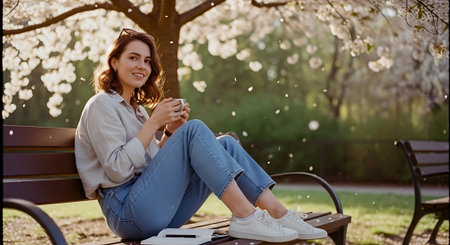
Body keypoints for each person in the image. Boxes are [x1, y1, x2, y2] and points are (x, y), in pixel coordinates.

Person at [74, 27, 327, 243]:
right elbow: (117, 171)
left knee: (225, 144)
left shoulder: (138, 111)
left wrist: (168, 134)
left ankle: (278, 212)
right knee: (194, 129)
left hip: (157, 209)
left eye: (147, 60)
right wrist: (153, 124)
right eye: (133, 57)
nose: (142, 66)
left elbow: (149, 165)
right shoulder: (101, 105)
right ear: (114, 62)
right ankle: (245, 216)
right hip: (128, 213)